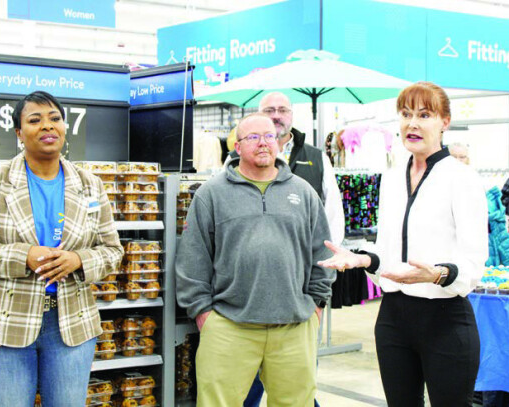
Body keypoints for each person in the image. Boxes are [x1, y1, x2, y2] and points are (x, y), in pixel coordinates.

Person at [318, 82, 488, 407]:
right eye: (406, 114)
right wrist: (364, 260)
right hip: (393, 318)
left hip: (445, 318)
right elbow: (387, 253)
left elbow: (473, 262)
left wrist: (437, 273)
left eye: (424, 114)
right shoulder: (391, 177)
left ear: (445, 121)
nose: (412, 123)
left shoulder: (461, 178)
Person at [0, 91, 124, 406]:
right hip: (3, 322)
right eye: (35, 120)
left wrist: (79, 259)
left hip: (70, 326)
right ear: (18, 133)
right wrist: (22, 256)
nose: (47, 126)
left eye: (55, 118)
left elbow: (112, 251)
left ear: (65, 128)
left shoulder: (90, 184)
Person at [176, 113, 335, 407]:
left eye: (269, 136)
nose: (263, 143)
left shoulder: (304, 193)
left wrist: (316, 305)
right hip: (229, 325)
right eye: (253, 137)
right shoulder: (211, 194)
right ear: (237, 146)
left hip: (294, 326)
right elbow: (192, 258)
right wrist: (203, 314)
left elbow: (322, 253)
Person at [228, 92, 345, 245]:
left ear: (291, 115)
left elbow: (333, 212)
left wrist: (328, 255)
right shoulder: (235, 159)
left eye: (282, 110)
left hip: (305, 260)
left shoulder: (317, 158)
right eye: (269, 110)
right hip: (248, 257)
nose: (276, 115)